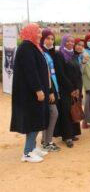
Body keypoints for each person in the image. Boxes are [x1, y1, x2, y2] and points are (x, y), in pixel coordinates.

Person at [11, 23, 49, 163]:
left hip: (36, 92)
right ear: (31, 33)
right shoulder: (26, 48)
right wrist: (38, 89)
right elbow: (30, 71)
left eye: (40, 32)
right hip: (30, 94)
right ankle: (27, 153)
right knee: (33, 121)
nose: (40, 35)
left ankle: (33, 147)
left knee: (38, 120)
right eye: (37, 32)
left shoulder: (33, 47)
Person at [54, 34, 82, 148]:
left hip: (75, 89)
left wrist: (78, 89)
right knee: (66, 112)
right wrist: (70, 89)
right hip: (66, 90)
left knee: (74, 110)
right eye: (68, 41)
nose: (70, 43)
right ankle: (67, 137)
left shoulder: (74, 55)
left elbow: (78, 74)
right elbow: (61, 74)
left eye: (72, 41)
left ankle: (73, 133)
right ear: (63, 42)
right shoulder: (59, 55)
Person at [40, 29, 61, 152]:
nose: (50, 41)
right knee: (54, 113)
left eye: (52, 39)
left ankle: (45, 140)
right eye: (47, 38)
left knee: (49, 114)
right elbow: (45, 75)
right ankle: (48, 142)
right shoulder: (42, 53)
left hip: (53, 87)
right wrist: (51, 91)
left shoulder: (49, 52)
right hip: (47, 89)